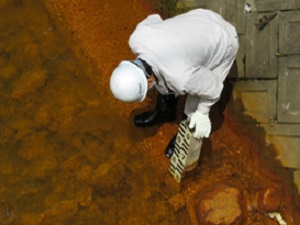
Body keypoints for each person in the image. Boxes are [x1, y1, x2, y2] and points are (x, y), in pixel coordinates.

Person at [110, 9, 238, 157]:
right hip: (201, 18)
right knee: (162, 78)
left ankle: (185, 135)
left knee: (194, 104)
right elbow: (155, 18)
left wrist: (203, 113)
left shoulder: (182, 78)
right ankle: (166, 112)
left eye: (148, 87)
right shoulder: (137, 38)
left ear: (148, 80)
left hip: (225, 40)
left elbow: (214, 87)